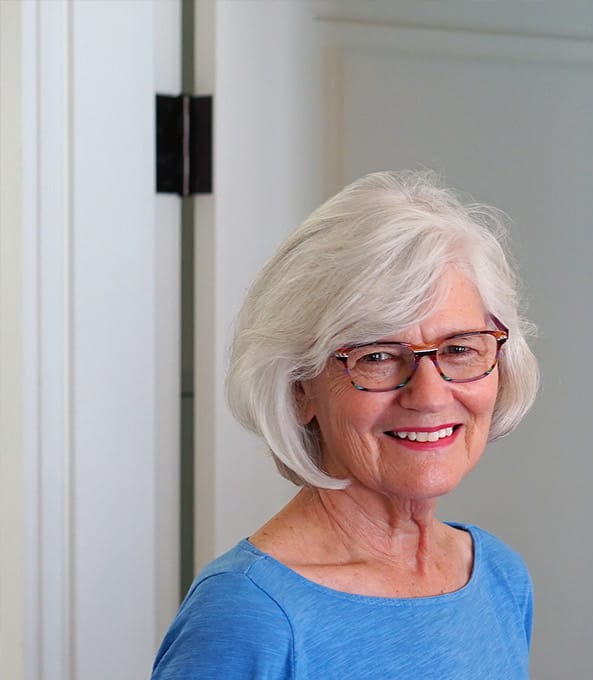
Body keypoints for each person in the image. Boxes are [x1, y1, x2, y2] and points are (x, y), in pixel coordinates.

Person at [151, 170, 539, 679]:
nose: (429, 395)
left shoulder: (499, 578)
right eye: (377, 356)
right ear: (300, 388)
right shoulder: (249, 614)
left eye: (460, 348)